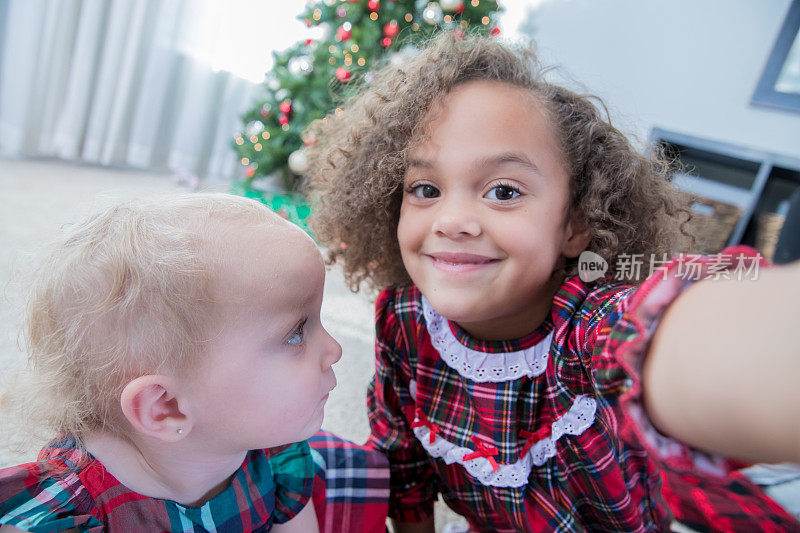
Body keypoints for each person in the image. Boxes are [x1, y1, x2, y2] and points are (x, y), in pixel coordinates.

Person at [305, 32, 800, 532]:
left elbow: (660, 340)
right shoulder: (403, 319)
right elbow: (403, 466)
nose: (452, 220)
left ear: (574, 225)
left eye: (503, 191)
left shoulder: (588, 328)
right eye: (426, 189)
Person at [0, 194, 389, 532]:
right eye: (296, 333)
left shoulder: (276, 457)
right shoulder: (73, 515)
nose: (335, 349)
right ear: (165, 408)